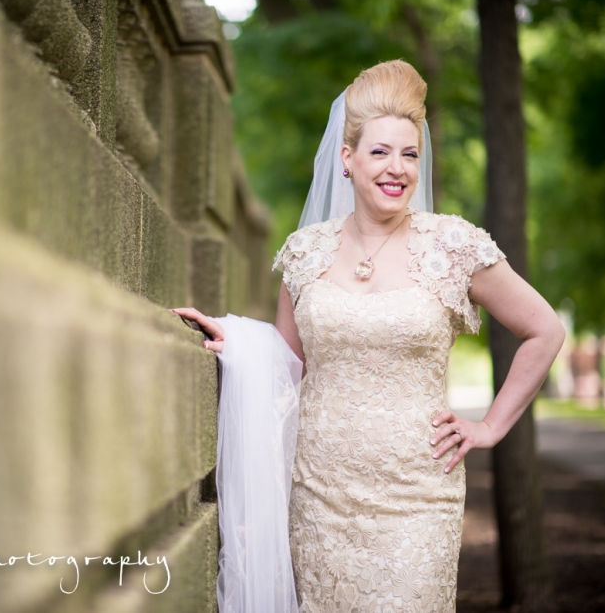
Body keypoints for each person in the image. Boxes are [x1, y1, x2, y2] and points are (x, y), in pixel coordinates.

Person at [172, 60, 565, 613]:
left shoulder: (453, 247)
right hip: (318, 495)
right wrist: (235, 340)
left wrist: (491, 427)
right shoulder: (305, 254)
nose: (397, 169)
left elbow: (544, 330)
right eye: (380, 152)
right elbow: (289, 364)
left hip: (417, 499)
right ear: (347, 158)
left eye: (409, 154)